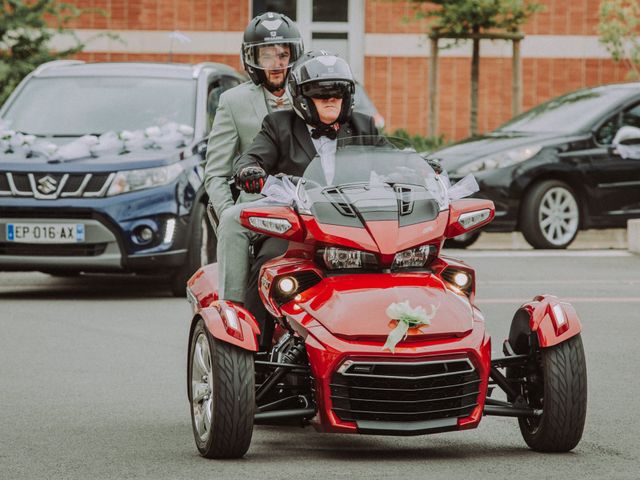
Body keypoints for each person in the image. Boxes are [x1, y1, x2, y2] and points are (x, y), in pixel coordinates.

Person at [226, 51, 379, 348]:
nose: (330, 99)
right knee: (268, 265)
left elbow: (394, 159)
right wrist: (249, 169)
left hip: (358, 229)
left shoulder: (364, 126)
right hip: (298, 228)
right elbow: (252, 157)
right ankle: (253, 351)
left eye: (337, 92)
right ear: (302, 98)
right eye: (321, 94)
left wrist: (424, 167)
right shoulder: (278, 125)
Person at [204, 12, 303, 219]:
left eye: (282, 55)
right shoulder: (232, 101)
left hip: (307, 207)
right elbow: (215, 173)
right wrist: (228, 215)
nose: (276, 64)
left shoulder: (311, 96)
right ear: (253, 58)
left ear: (293, 56)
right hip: (255, 210)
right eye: (267, 56)